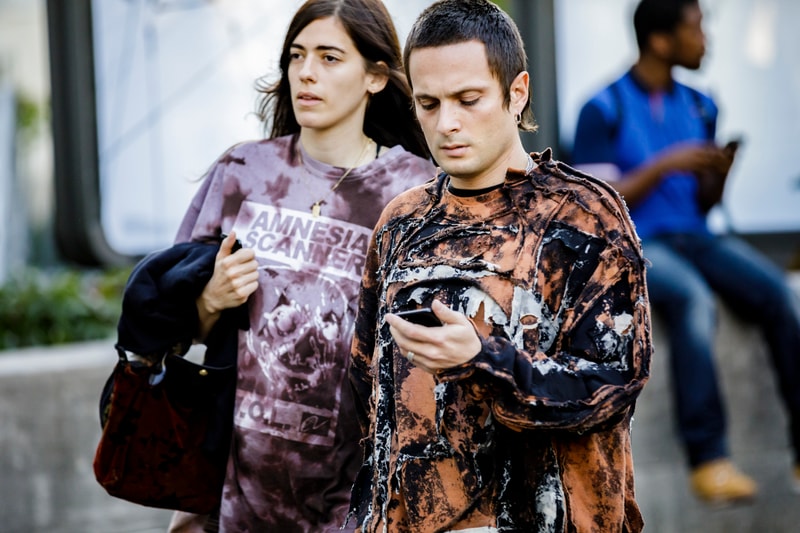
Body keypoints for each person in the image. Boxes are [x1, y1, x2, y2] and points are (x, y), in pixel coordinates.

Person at [346, 1, 652, 531]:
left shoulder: (584, 217)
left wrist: (484, 360)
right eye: (428, 103)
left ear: (517, 92)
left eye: (469, 99)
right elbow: (365, 388)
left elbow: (613, 384)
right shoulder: (401, 222)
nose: (447, 123)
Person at [166, 0, 435, 531]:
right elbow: (173, 331)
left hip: (360, 496)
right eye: (297, 56)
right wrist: (209, 299)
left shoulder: (412, 191)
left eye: (330, 58)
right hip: (237, 489)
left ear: (375, 77)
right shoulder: (243, 171)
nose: (306, 73)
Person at [572, 0, 800, 505]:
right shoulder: (603, 108)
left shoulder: (701, 105)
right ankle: (709, 460)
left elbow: (704, 203)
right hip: (636, 244)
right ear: (660, 40)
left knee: (780, 296)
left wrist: (718, 174)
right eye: (697, 28)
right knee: (696, 301)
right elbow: (597, 210)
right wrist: (666, 163)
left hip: (697, 236)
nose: (707, 40)